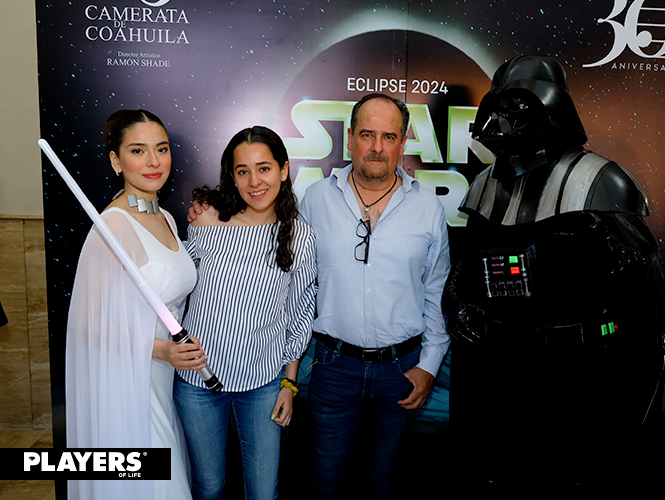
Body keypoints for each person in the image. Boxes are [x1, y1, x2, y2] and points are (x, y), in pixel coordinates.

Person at [444, 55, 665, 491]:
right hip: (500, 371)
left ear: (549, 106)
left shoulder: (600, 182)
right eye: (500, 106)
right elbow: (469, 265)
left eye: (517, 106)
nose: (504, 119)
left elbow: (643, 297)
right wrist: (458, 303)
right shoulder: (485, 185)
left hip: (578, 376)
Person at [299, 93, 451, 499]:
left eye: (389, 137)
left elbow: (436, 292)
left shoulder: (427, 208)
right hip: (332, 367)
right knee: (325, 482)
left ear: (403, 143)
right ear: (350, 138)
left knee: (380, 482)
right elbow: (292, 281)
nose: (377, 147)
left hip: (401, 371)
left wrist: (429, 365)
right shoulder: (315, 199)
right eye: (367, 134)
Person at [66, 109, 205, 500]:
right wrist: (162, 350)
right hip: (128, 379)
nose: (153, 161)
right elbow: (86, 325)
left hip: (160, 378)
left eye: (161, 149)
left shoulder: (167, 219)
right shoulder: (112, 226)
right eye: (138, 150)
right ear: (116, 160)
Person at [176, 125, 317, 500]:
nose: (255, 182)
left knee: (262, 492)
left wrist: (289, 384)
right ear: (232, 177)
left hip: (263, 384)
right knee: (208, 488)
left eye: (264, 168)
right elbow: (175, 288)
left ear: (283, 170)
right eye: (243, 171)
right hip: (197, 381)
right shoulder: (207, 222)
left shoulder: (300, 236)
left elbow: (300, 313)